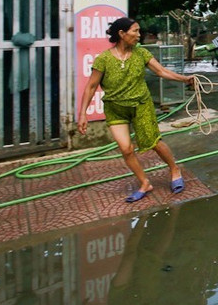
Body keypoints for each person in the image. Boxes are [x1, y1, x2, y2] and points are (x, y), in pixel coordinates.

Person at [78, 17, 197, 202]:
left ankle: (174, 168)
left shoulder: (141, 53)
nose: (139, 35)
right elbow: (91, 86)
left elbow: (161, 71)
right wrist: (82, 113)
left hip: (141, 105)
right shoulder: (104, 59)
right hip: (115, 108)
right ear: (122, 34)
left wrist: (184, 79)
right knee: (126, 149)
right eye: (135, 31)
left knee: (154, 142)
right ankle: (144, 183)